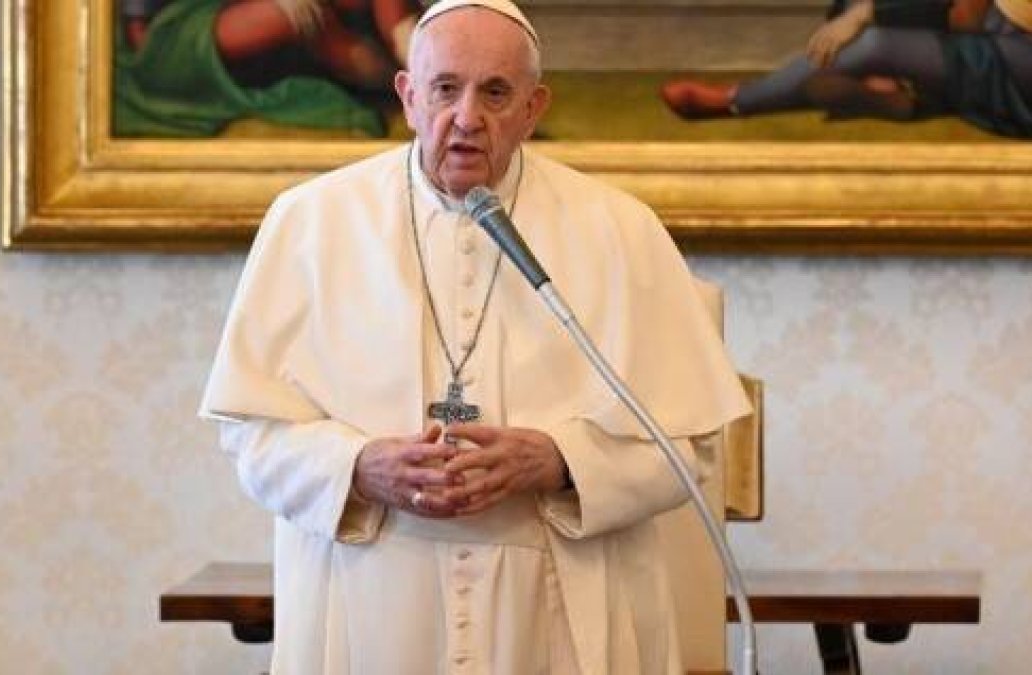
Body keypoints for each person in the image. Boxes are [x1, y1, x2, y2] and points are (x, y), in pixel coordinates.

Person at [199, 0, 751, 672]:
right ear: (407, 95)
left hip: (562, 609)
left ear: (533, 107)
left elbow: (688, 450)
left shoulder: (619, 230)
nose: (467, 117)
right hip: (370, 600)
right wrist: (358, 465)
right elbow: (252, 437)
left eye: (495, 92)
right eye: (444, 88)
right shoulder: (310, 223)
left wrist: (558, 460)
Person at [660, 0, 1032, 138]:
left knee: (875, 43)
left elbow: (965, 18)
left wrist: (867, 13)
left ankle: (736, 100)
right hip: (987, 44)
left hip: (1013, 65)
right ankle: (898, 90)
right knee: (866, 22)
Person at [114, 0, 421, 137]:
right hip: (173, 41)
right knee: (299, 18)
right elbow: (142, 36)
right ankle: (390, 76)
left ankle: (406, 51)